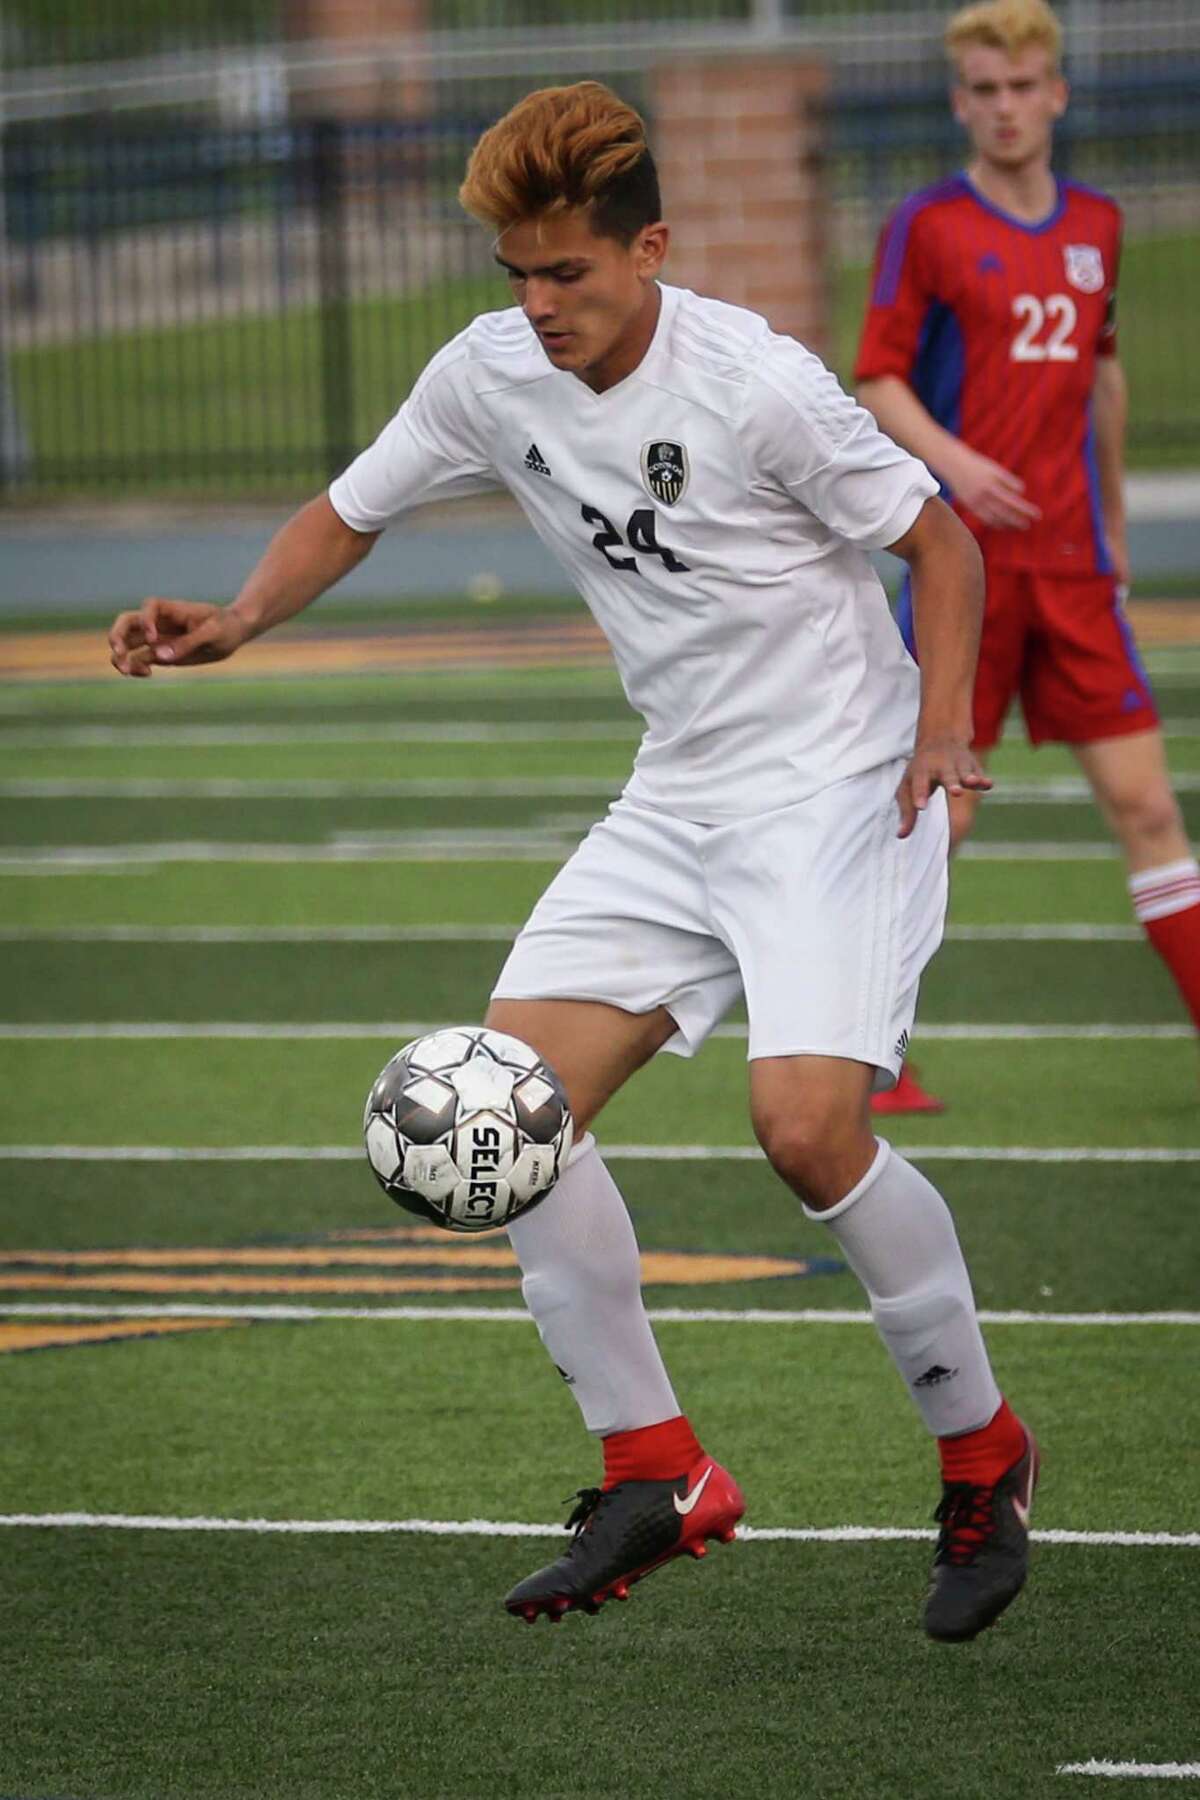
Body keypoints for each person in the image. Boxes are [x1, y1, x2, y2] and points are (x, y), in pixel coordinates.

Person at [109, 81, 1037, 1643]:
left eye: (569, 276)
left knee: (805, 1134)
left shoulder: (754, 381)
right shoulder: (490, 373)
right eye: (516, 276)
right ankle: (656, 1470)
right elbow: (353, 508)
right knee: (507, 1107)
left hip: (837, 793)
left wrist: (943, 731)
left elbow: (940, 542)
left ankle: (983, 1452)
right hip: (678, 796)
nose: (536, 307)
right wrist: (236, 620)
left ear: (650, 250)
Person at [855, 0, 1200, 1114]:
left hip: (1072, 575)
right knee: (940, 815)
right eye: (985, 92)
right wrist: (959, 463)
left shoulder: (1098, 224)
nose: (1005, 109)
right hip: (965, 570)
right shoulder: (928, 226)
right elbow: (879, 380)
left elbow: (1102, 377)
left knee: (1149, 807)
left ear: (1056, 93)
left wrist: (1110, 526)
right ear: (962, 102)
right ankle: (875, 1043)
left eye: (1023, 88)